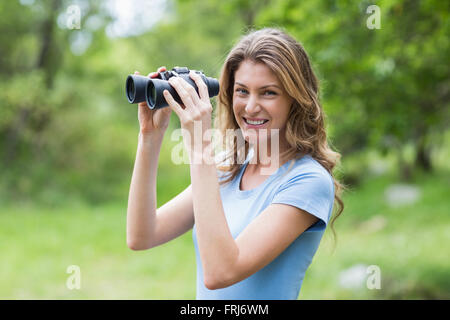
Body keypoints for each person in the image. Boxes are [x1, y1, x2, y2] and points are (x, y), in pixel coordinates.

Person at [126, 27, 344, 300]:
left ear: (296, 100)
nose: (251, 107)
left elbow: (220, 273)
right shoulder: (228, 170)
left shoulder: (307, 182)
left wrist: (200, 146)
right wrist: (149, 136)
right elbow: (141, 235)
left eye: (268, 93)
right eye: (242, 91)